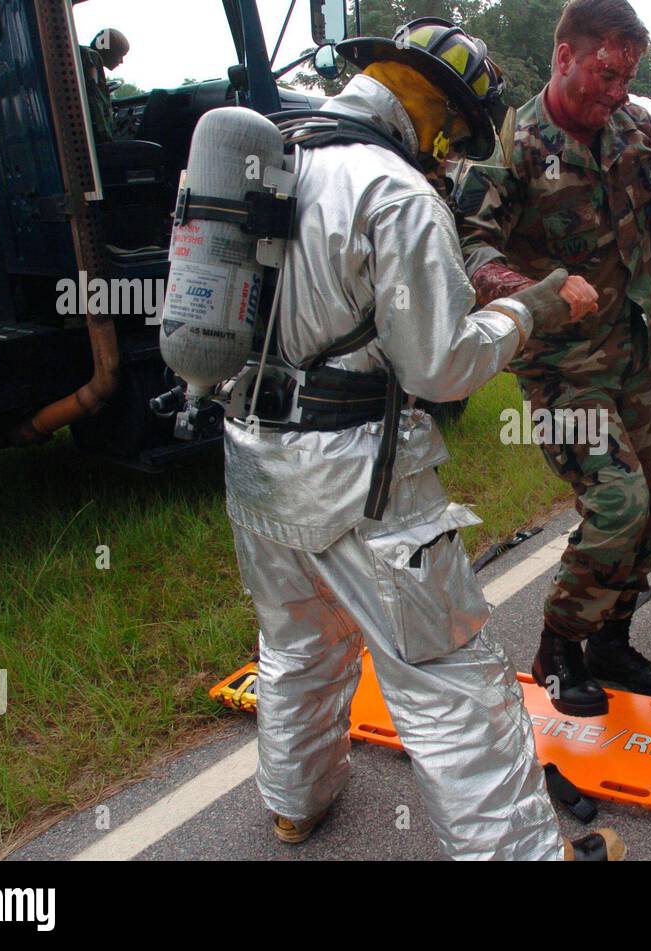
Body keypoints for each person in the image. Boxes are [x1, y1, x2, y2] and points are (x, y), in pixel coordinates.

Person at [223, 18, 622, 861]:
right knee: (448, 680)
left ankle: (296, 802)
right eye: (449, 131)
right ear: (435, 111)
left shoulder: (274, 154)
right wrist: (533, 307)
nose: (446, 150)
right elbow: (441, 367)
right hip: (363, 477)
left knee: (297, 644)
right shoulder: (395, 193)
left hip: (254, 457)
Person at [456, 0, 651, 718]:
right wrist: (538, 292)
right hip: (561, 367)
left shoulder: (638, 131)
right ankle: (557, 648)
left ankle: (610, 642)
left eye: (627, 76)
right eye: (604, 73)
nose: (617, 90)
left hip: (632, 352)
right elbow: (469, 249)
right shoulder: (514, 144)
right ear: (564, 56)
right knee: (618, 502)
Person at [80, 28, 130, 143]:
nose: (121, 61)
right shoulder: (92, 59)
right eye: (120, 54)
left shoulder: (86, 58)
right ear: (109, 51)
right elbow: (95, 105)